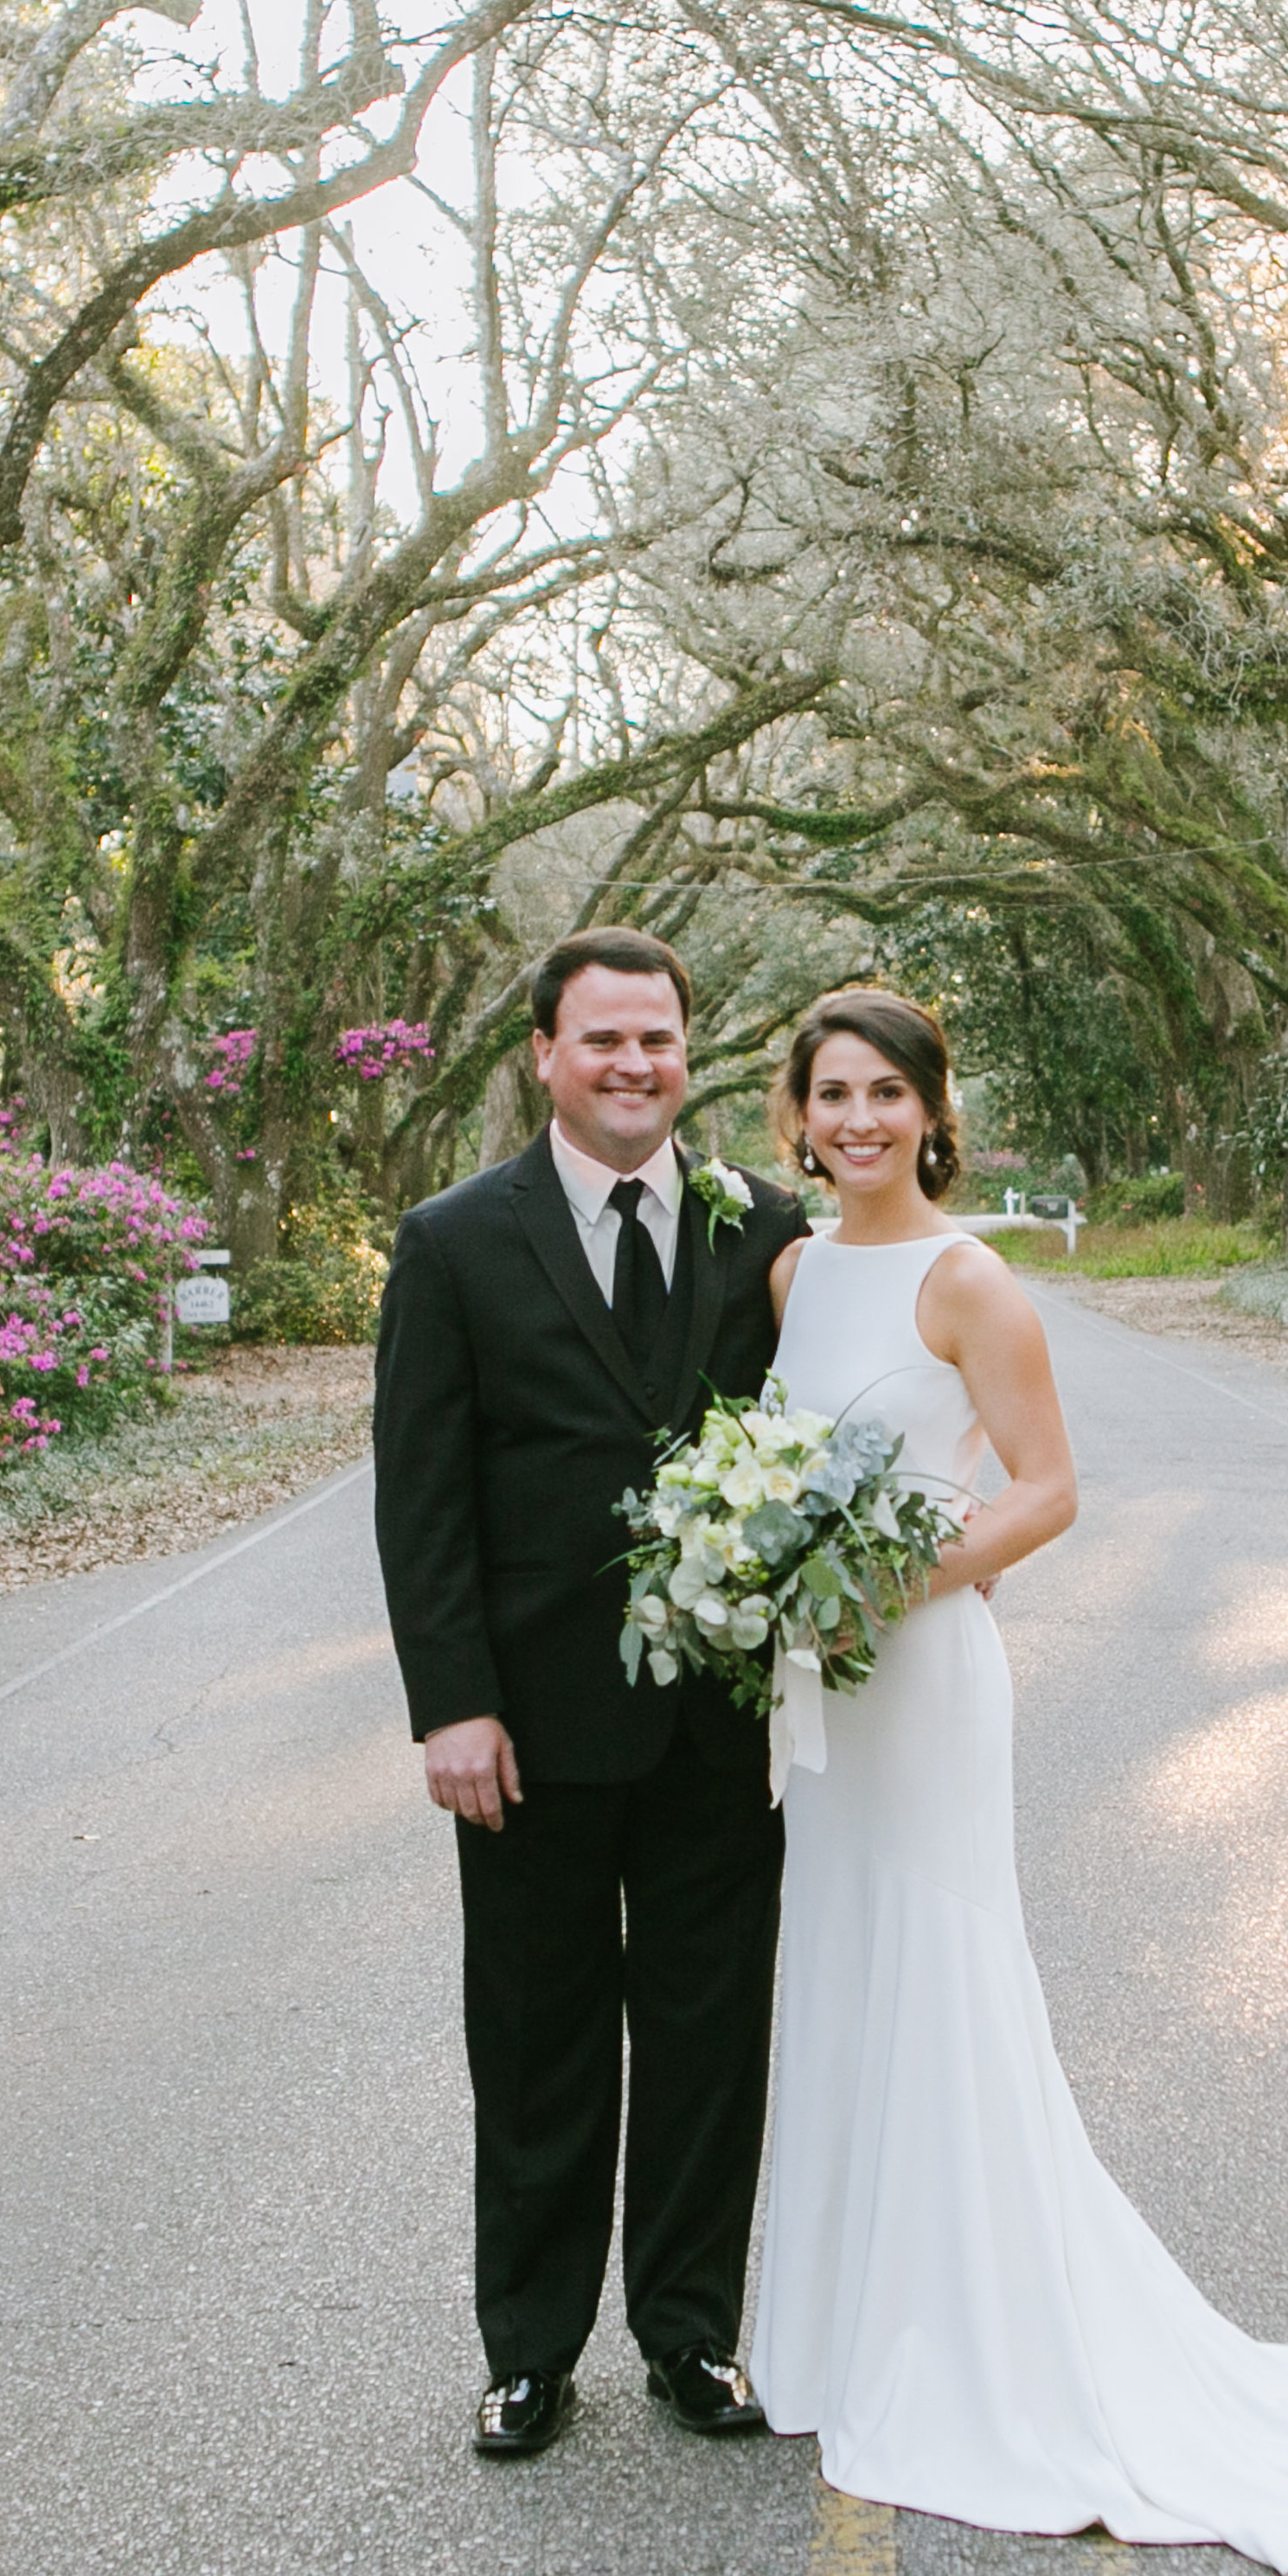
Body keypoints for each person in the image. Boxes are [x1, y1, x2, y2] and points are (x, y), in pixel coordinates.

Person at [752, 987, 1288, 2569]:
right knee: (841, 1966)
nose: (859, 1120)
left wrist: (886, 1579)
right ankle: (835, 2329)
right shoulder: (798, 1272)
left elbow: (1049, 1491)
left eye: (887, 1092)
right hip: (823, 1703)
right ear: (795, 1115)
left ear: (934, 1108)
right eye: (832, 1094)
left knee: (940, 1969)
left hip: (919, 1677)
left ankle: (976, 2341)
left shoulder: (970, 1281)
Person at [373, 929, 808, 2459]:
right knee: (539, 2037)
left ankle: (692, 2332)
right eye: (605, 1041)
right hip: (529, 1730)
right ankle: (528, 2348)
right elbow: (420, 1495)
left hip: (720, 1723)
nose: (635, 1066)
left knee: (707, 2035)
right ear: (543, 1058)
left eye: (661, 1043)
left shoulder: (768, 1227)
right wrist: (451, 1702)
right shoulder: (452, 1241)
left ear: (692, 1057)